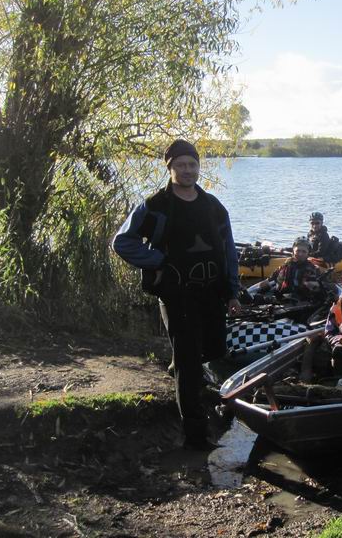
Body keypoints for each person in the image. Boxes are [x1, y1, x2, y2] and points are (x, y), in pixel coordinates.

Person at [112, 139, 241, 451]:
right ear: (169, 168)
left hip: (211, 292)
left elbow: (228, 251)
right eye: (180, 165)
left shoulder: (213, 206)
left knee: (213, 348)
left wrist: (233, 292)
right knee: (189, 363)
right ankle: (196, 437)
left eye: (192, 164)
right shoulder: (156, 206)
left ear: (199, 167)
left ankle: (178, 364)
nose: (187, 170)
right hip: (176, 293)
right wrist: (159, 263)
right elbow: (122, 242)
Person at [256, 236, 323, 300]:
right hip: (279, 295)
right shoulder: (288, 263)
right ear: (293, 250)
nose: (300, 254)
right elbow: (275, 275)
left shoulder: (312, 269)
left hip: (297, 302)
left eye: (304, 251)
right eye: (298, 251)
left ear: (308, 252)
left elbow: (316, 290)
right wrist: (267, 281)